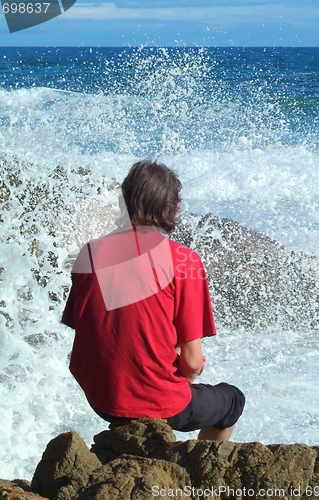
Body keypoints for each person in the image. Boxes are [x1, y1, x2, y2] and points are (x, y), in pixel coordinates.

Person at [61, 159, 245, 441]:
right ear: (173, 208)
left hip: (101, 398)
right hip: (154, 403)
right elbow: (193, 363)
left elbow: (98, 330)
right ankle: (201, 476)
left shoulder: (90, 253)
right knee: (232, 401)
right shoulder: (183, 261)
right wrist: (183, 376)